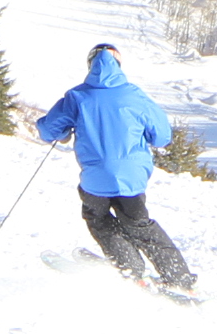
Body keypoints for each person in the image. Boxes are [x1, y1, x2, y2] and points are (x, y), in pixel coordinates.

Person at [36, 43, 196, 293]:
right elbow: (162, 137)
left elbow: (48, 131)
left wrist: (66, 130)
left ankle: (131, 269)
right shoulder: (134, 95)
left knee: (98, 218)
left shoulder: (77, 97)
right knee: (139, 223)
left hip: (95, 178)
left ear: (90, 65)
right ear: (119, 65)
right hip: (132, 177)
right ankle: (180, 279)